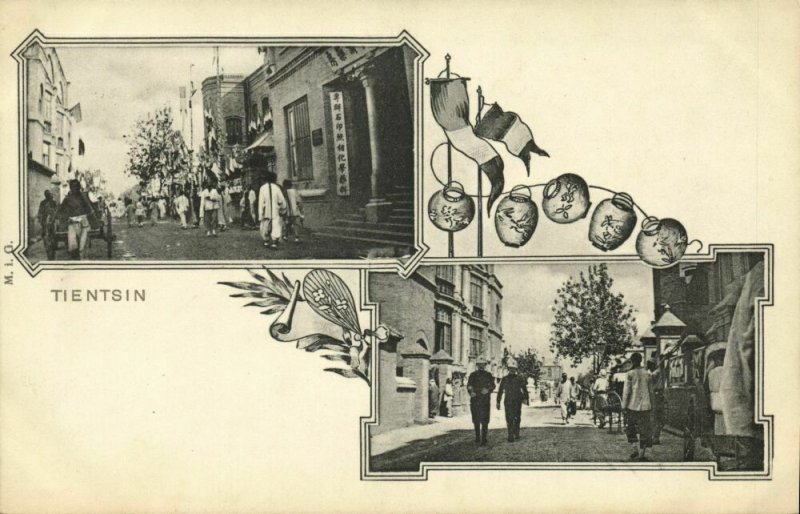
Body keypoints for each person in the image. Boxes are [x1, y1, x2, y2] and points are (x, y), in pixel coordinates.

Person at [623, 352, 655, 461]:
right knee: (645, 429)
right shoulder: (648, 374)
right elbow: (651, 392)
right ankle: (642, 454)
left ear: (632, 361)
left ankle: (635, 449)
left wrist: (624, 406)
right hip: (646, 406)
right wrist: (652, 405)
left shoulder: (630, 374)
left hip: (632, 406)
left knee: (631, 428)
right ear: (641, 360)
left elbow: (626, 392)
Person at [57, 179, 95, 259]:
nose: (75, 188)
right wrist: (63, 218)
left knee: (82, 247)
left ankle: (83, 262)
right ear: (70, 188)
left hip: (84, 224)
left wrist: (92, 217)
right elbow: (61, 210)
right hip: (72, 224)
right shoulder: (67, 199)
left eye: (76, 187)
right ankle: (75, 262)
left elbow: (90, 209)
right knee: (73, 246)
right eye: (73, 187)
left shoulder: (84, 197)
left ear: (79, 187)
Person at [496, 359, 529, 442]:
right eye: (510, 368)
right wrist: (498, 401)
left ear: (516, 369)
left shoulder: (519, 378)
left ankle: (516, 432)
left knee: (517, 417)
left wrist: (526, 399)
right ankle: (510, 434)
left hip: (517, 401)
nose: (512, 370)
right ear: (508, 369)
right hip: (508, 401)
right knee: (509, 418)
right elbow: (500, 390)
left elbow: (524, 389)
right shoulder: (504, 379)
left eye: (514, 369)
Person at [467, 356, 495, 445]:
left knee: (485, 420)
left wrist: (488, 390)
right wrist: (471, 391)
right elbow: (469, 385)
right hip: (475, 400)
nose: (481, 366)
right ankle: (477, 437)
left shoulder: (488, 375)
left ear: (485, 365)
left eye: (483, 364)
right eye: (479, 364)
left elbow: (493, 385)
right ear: (477, 365)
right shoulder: (473, 375)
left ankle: (484, 438)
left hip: (485, 400)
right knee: (476, 419)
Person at [258, 172, 286, 249]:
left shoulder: (262, 188)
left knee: (265, 225)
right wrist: (283, 208)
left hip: (265, 211)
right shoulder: (277, 188)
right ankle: (274, 242)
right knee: (276, 225)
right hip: (275, 210)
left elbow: (261, 202)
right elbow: (282, 200)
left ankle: (266, 240)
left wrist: (260, 213)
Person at [647, 359, 665, 445]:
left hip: (656, 395)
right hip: (655, 395)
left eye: (650, 366)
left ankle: (655, 437)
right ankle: (655, 436)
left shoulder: (656, 372)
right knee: (655, 417)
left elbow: (651, 376)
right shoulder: (654, 372)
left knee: (655, 417)